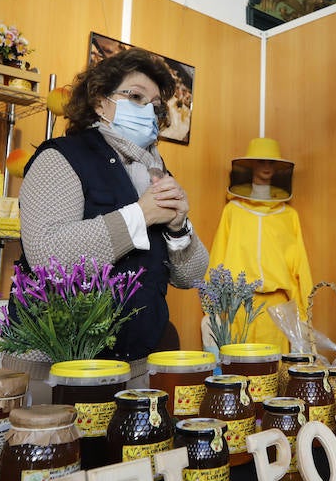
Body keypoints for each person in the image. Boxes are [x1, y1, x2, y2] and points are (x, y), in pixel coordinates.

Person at [18, 47, 208, 368]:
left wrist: (179, 228)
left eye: (156, 106)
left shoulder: (156, 171)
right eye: (135, 97)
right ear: (99, 101)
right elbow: (46, 255)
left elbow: (191, 276)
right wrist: (141, 215)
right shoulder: (61, 158)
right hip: (64, 362)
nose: (147, 111)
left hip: (138, 360)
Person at [206, 138, 314, 352]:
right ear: (251, 165)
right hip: (236, 308)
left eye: (271, 162)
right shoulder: (233, 211)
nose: (266, 167)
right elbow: (217, 259)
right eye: (261, 161)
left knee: (274, 374)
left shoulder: (289, 216)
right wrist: (213, 310)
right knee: (237, 375)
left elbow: (300, 266)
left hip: (277, 311)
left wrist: (303, 317)